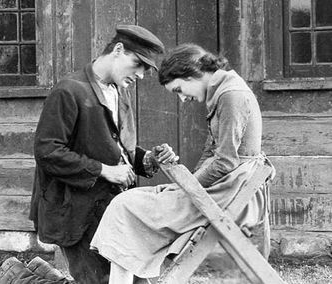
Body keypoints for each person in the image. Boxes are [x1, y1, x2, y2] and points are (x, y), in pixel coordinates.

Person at [90, 43, 275, 283]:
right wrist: (186, 182)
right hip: (224, 187)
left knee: (125, 205)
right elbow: (213, 153)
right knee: (125, 204)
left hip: (232, 191)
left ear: (191, 74)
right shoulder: (224, 91)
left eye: (179, 89)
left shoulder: (232, 96)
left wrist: (188, 186)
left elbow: (225, 162)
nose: (183, 98)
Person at [29, 25, 178, 284]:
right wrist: (104, 170)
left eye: (146, 70)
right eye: (138, 64)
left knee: (135, 281)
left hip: (113, 210)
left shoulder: (121, 92)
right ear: (118, 50)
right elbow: (47, 151)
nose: (141, 75)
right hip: (76, 212)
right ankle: (23, 279)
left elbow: (116, 148)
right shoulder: (69, 90)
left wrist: (148, 160)